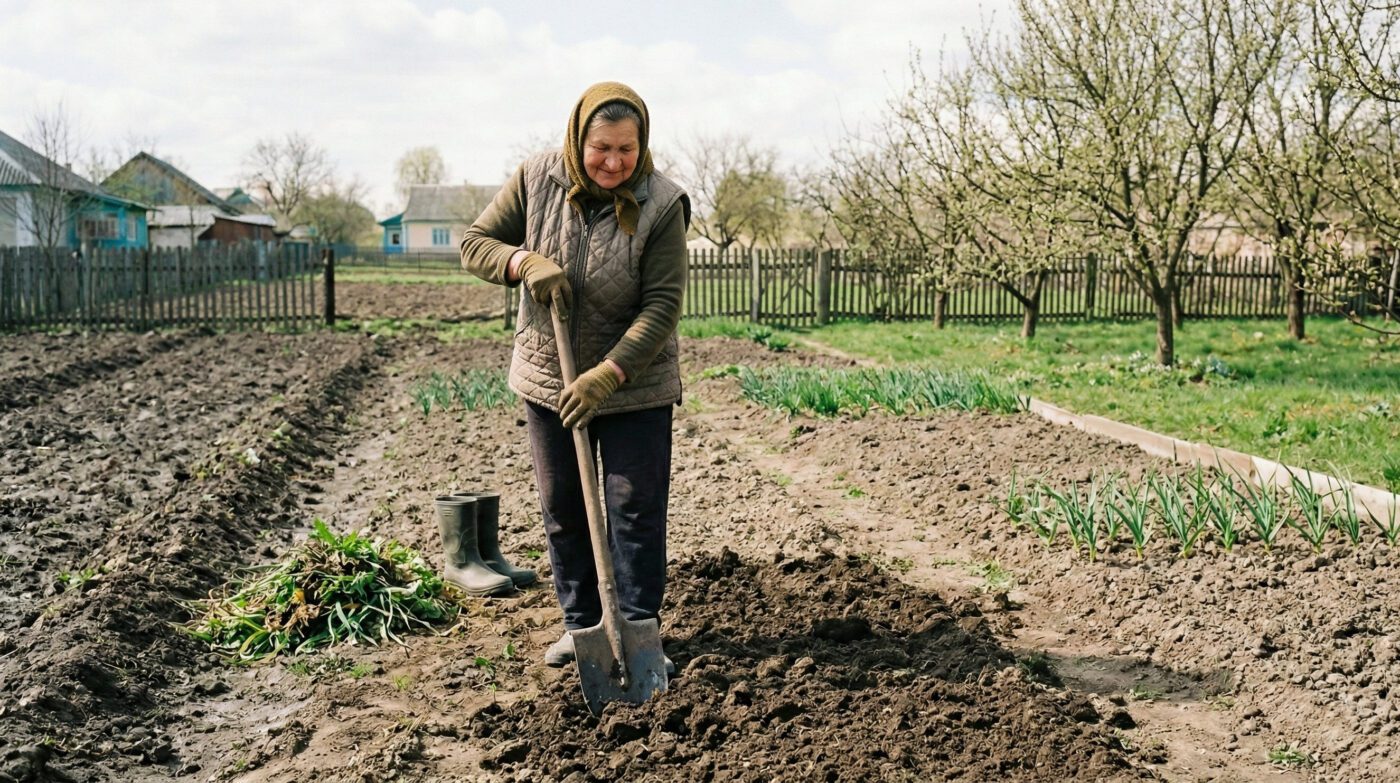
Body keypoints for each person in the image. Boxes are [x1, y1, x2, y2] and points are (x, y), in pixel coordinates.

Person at [460, 82, 688, 674]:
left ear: (643, 145)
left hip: (635, 384)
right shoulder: (537, 179)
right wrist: (520, 260)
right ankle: (583, 625)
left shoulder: (663, 204)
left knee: (635, 510)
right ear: (577, 140)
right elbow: (474, 243)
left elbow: (662, 306)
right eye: (601, 148)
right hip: (549, 378)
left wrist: (607, 375)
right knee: (564, 506)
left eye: (627, 150)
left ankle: (638, 628)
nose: (613, 162)